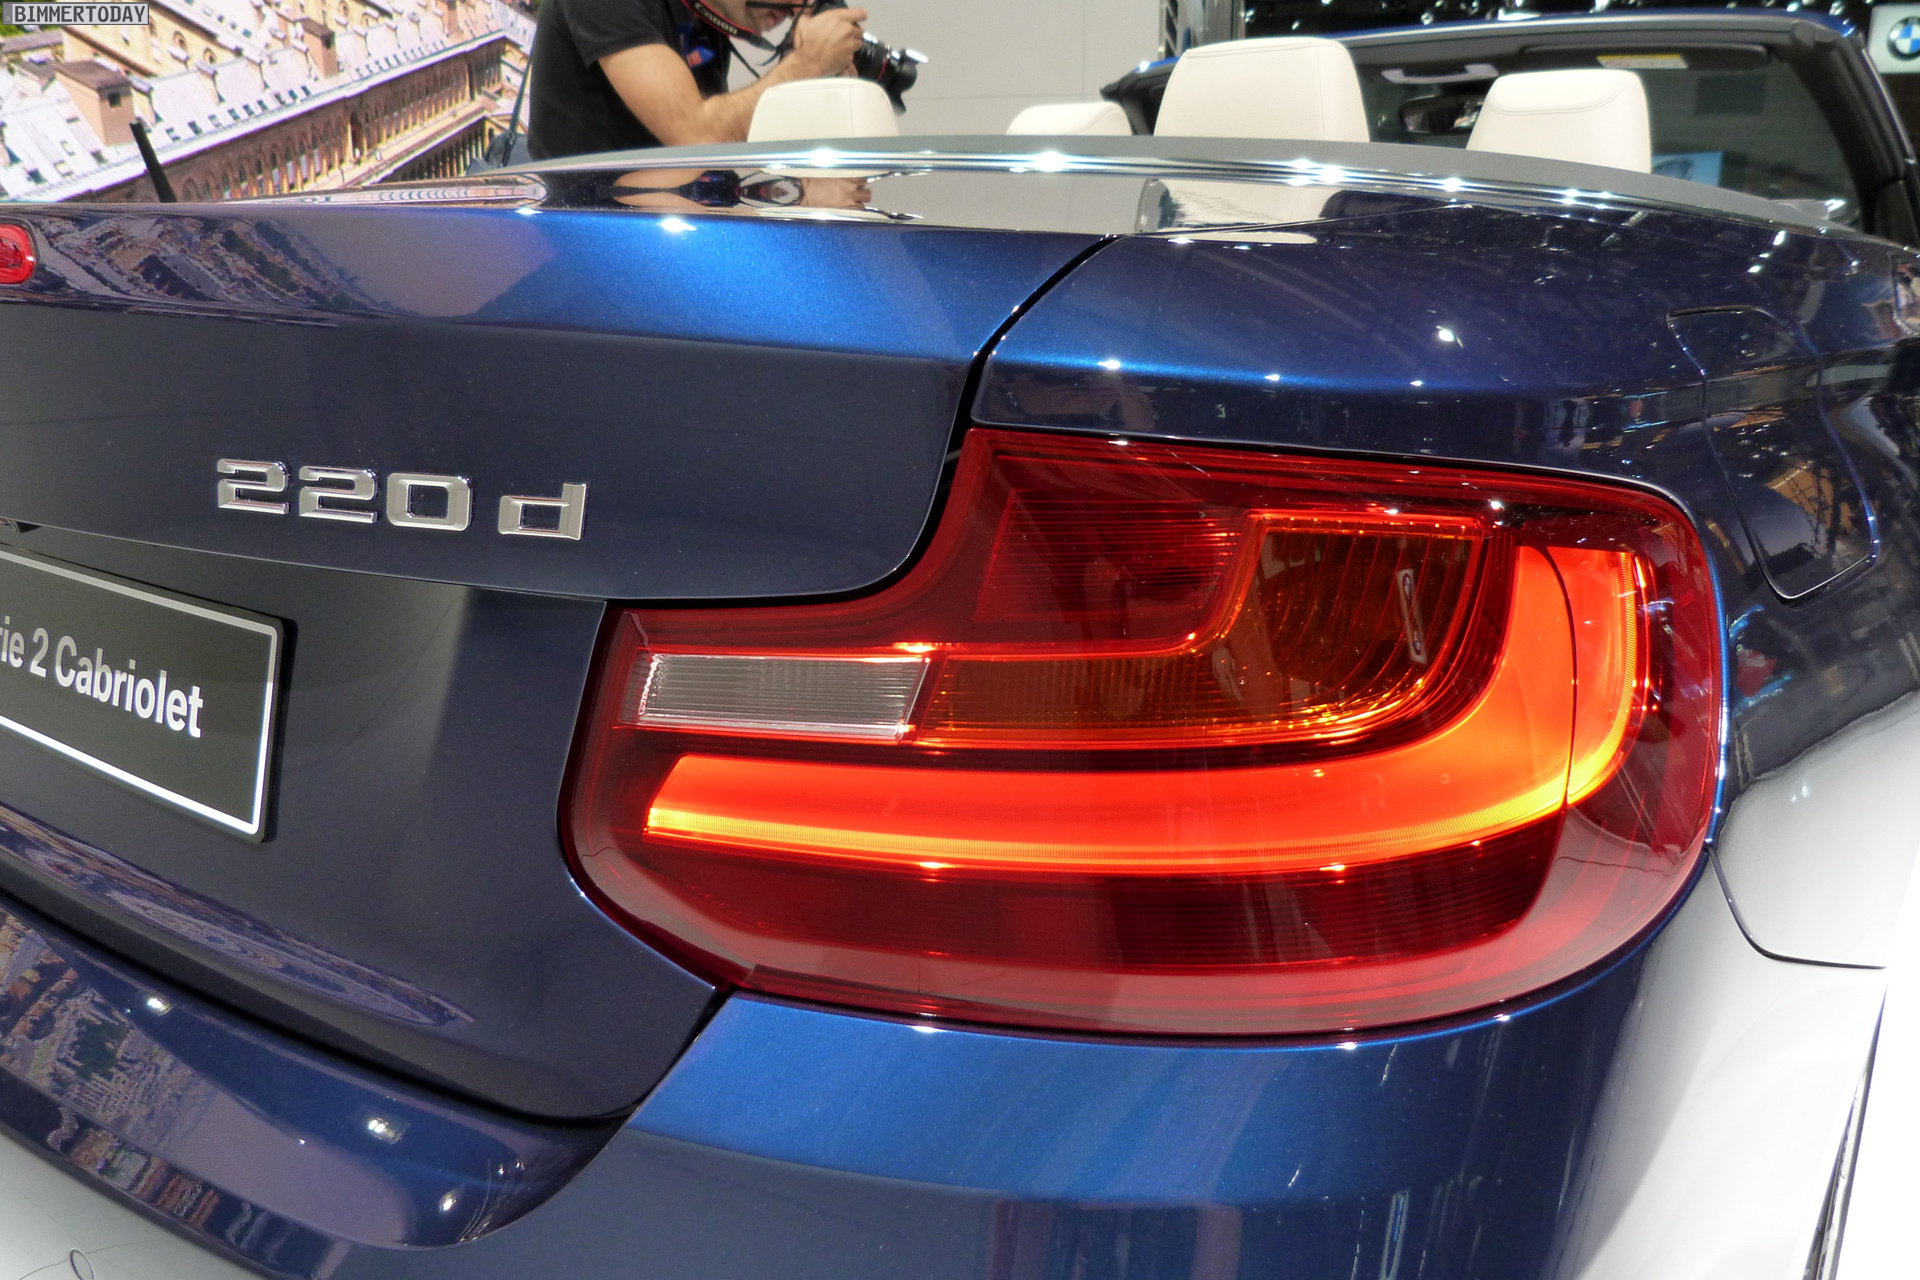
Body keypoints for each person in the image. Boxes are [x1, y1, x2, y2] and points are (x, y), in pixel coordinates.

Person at [529, 0, 869, 161]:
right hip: (589, 245)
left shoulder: (702, 20)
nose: (797, 8)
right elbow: (695, 135)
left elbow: (715, 149)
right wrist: (806, 63)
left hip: (668, 229)